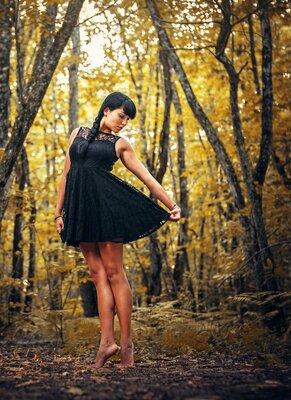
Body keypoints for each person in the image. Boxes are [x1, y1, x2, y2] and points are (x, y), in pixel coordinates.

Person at [54, 92, 181, 369]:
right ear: (107, 110)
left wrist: (172, 204)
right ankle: (105, 343)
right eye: (122, 116)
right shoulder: (78, 132)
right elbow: (66, 174)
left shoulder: (120, 144)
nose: (124, 123)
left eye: (127, 119)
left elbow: (146, 177)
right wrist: (58, 212)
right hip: (81, 211)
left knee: (114, 273)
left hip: (107, 210)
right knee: (97, 275)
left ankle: (127, 348)